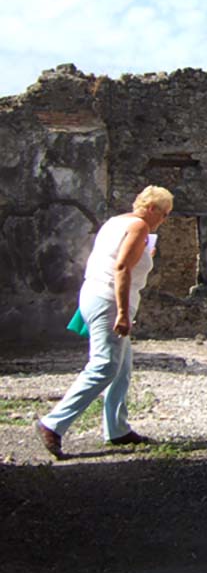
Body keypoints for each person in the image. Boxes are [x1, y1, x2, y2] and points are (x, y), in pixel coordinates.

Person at [34, 185, 173, 459]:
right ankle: (53, 423)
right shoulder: (139, 228)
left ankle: (117, 428)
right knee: (105, 366)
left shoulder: (116, 222)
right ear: (152, 209)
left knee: (121, 367)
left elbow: (117, 259)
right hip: (109, 300)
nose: (165, 220)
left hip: (95, 294)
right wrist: (122, 312)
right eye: (165, 213)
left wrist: (145, 257)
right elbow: (121, 268)